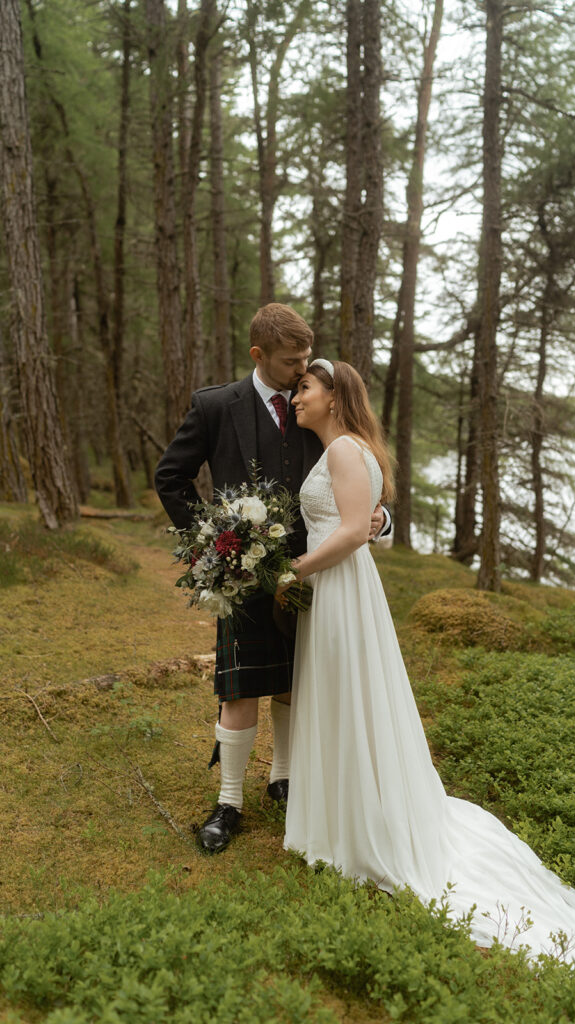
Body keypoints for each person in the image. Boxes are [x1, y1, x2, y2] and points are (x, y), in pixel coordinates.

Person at [280, 358, 575, 966]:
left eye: (305, 388)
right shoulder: (344, 450)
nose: (297, 396)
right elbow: (374, 524)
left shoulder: (343, 452)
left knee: (348, 695)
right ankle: (339, 814)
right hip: (337, 590)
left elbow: (359, 529)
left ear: (334, 397)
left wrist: (295, 569)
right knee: (342, 696)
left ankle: (357, 828)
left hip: (337, 587)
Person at [155, 305, 387, 855]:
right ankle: (228, 802)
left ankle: (282, 779)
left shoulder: (316, 406)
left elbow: (362, 482)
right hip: (244, 577)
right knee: (239, 688)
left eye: (306, 360)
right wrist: (214, 544)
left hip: (316, 573)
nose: (300, 371)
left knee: (293, 680)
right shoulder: (216, 406)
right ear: (259, 355)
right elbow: (171, 477)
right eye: (291, 362)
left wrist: (381, 520)